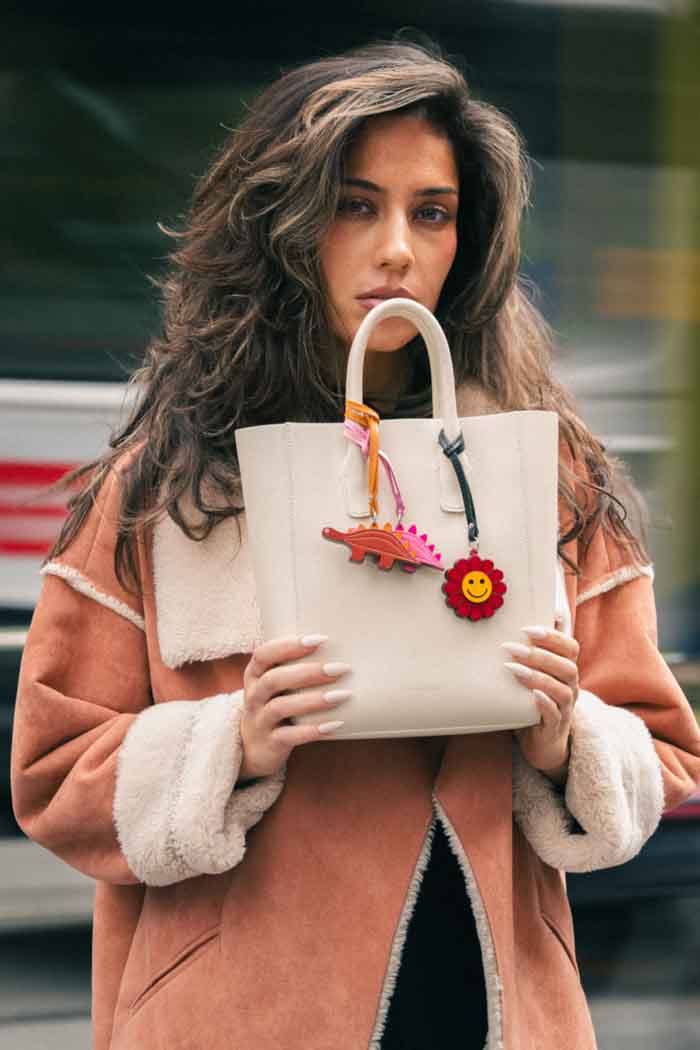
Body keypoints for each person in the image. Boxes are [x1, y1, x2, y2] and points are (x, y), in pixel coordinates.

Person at [10, 39, 700, 1050]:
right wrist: (225, 744)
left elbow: (666, 757)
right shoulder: (167, 486)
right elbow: (52, 774)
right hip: (239, 1014)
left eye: (431, 212)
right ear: (283, 226)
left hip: (490, 1003)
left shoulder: (547, 478)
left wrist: (568, 742)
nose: (396, 251)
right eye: (354, 205)